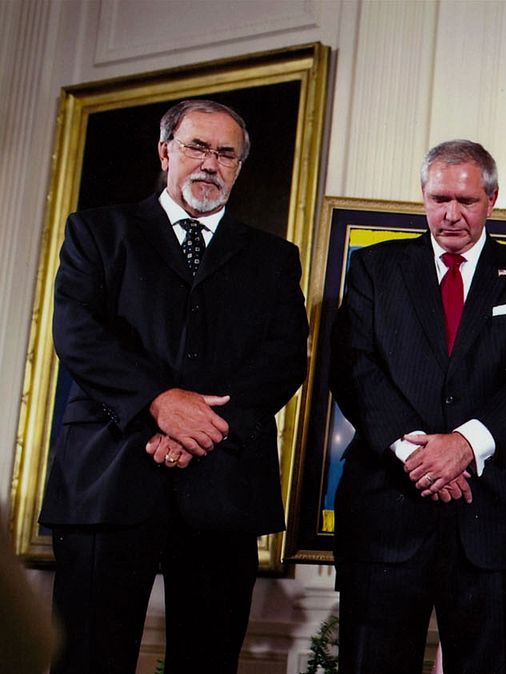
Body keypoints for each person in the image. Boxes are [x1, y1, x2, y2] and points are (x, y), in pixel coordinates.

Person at [40, 99, 309, 674]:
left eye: (225, 153)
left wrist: (200, 429)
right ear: (165, 152)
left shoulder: (275, 259)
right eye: (196, 147)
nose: (210, 163)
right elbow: (81, 335)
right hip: (108, 481)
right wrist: (160, 406)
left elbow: (283, 360)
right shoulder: (97, 232)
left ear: (239, 166)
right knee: (87, 658)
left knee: (208, 661)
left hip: (222, 485)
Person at [330, 139, 506, 673]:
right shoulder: (374, 268)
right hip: (388, 508)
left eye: (466, 201)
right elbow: (352, 367)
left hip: (495, 513)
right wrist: (418, 453)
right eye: (439, 199)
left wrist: (466, 444)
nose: (451, 214)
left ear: (492, 199)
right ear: (422, 197)